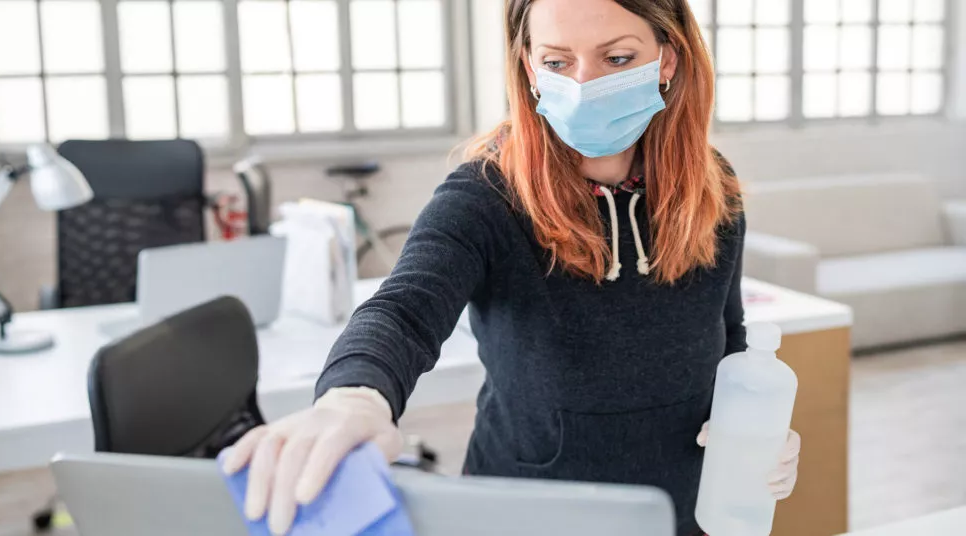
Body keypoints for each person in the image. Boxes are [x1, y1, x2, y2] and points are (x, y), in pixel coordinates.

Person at [224, 1, 801, 534]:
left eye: (617, 57)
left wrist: (754, 430)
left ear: (667, 58)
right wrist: (354, 397)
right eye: (557, 60)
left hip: (683, 513)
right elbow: (402, 311)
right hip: (525, 514)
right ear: (528, 66)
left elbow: (730, 342)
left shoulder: (711, 188)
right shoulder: (486, 195)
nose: (584, 84)